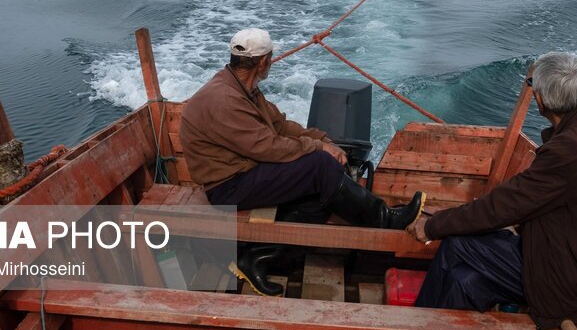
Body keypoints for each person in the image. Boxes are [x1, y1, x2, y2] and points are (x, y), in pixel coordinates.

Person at [408, 51, 577, 330]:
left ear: (542, 100)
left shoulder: (570, 149)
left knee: (457, 243)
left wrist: (432, 226)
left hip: (576, 281)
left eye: (533, 85)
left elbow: (502, 207)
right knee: (464, 282)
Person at [181, 27, 425, 296]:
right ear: (264, 61)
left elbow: (281, 126)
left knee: (322, 189)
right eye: (270, 59)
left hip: (244, 172)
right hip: (227, 187)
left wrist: (324, 140)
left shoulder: (242, 89)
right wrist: (318, 148)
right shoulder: (225, 99)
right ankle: (384, 219)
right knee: (320, 167)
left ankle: (256, 259)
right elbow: (269, 148)